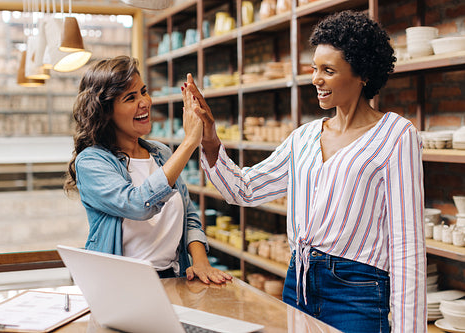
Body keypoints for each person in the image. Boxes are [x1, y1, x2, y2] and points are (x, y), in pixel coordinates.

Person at [182, 10, 426, 333]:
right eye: (314, 69)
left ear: (363, 73)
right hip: (297, 282)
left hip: (357, 295)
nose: (316, 79)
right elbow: (243, 188)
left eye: (328, 70)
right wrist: (209, 137)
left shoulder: (396, 136)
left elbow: (407, 248)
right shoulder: (304, 137)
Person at [64, 55, 232, 284]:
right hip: (118, 285)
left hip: (173, 277)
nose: (145, 102)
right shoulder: (92, 162)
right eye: (130, 97)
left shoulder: (160, 153)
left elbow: (188, 213)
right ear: (105, 111)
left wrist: (200, 260)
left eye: (143, 91)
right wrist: (190, 142)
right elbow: (137, 204)